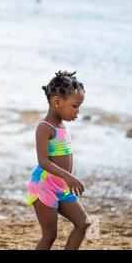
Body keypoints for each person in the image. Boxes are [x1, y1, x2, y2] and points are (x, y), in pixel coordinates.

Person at [25, 71, 91, 250]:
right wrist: (67, 176)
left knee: (83, 223)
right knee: (49, 236)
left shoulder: (62, 126)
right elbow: (43, 161)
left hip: (61, 187)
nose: (78, 112)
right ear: (57, 102)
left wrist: (66, 179)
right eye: (75, 106)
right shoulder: (44, 127)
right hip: (44, 187)